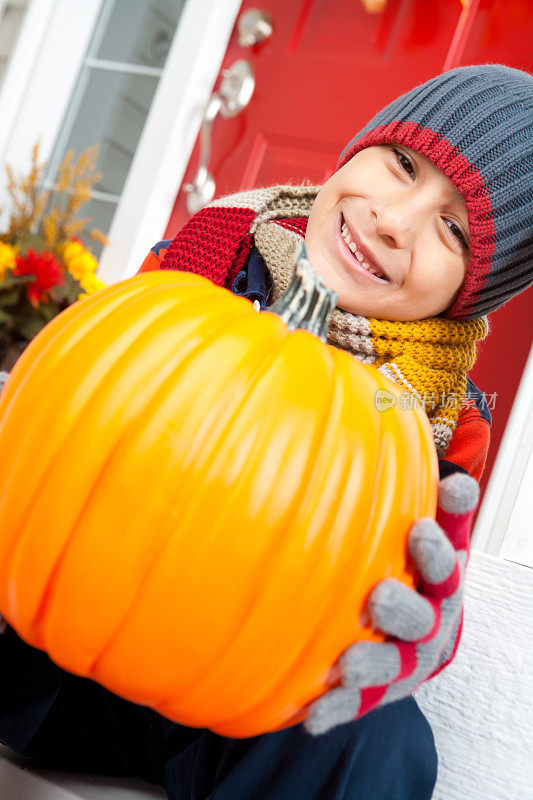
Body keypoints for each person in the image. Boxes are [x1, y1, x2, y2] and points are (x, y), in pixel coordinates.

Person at [0, 63, 532, 800]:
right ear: (356, 150)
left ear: (469, 290)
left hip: (238, 700)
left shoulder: (442, 424)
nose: (393, 220)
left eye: (453, 231)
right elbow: (87, 408)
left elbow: (410, 589)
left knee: (381, 745)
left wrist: (425, 638)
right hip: (42, 640)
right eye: (401, 165)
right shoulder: (213, 250)